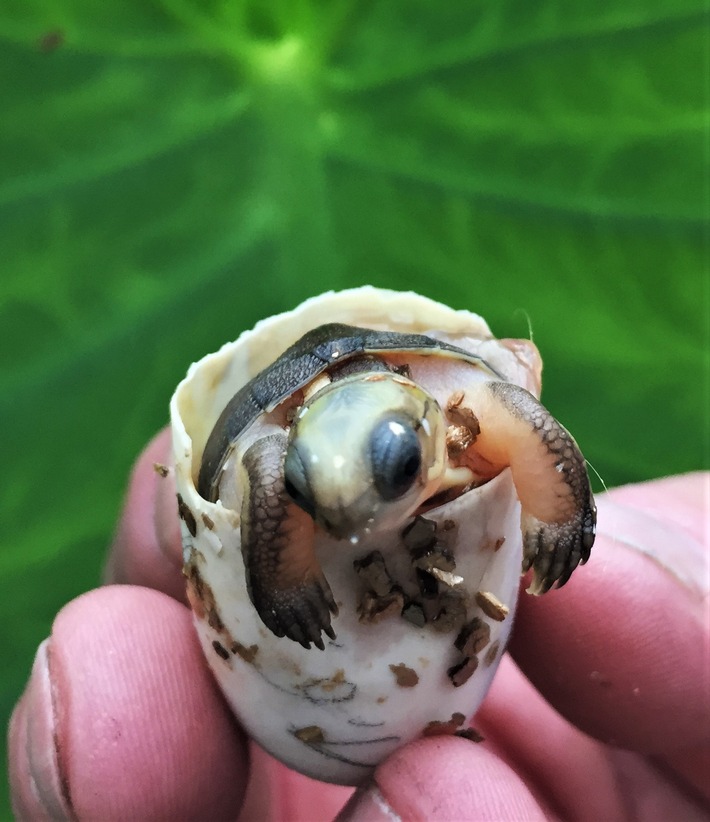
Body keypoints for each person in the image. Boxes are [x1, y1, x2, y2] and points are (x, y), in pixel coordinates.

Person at [8, 430, 709, 821]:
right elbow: (266, 454)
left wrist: (559, 509)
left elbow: (517, 419)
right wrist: (283, 577)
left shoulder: (453, 412)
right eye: (323, 500)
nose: (352, 521)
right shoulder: (281, 454)